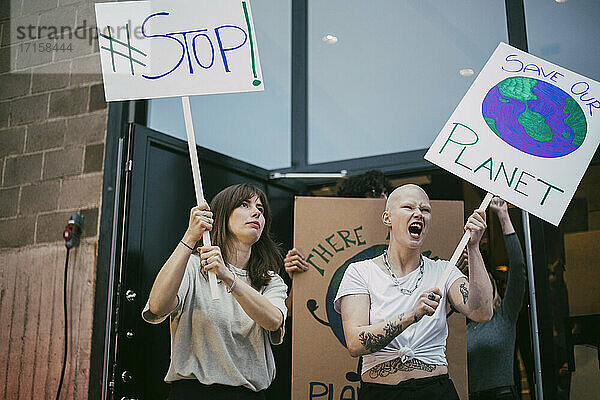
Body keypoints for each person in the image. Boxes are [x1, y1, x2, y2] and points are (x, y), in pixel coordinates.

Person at [333, 184, 493, 400]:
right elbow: (355, 342)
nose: (418, 213)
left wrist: (474, 247)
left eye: (425, 210)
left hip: (435, 391)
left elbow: (482, 312)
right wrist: (412, 315)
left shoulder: (443, 271)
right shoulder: (360, 272)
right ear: (387, 218)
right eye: (408, 207)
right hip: (381, 393)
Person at [142, 183, 288, 400]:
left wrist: (228, 276)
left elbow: (274, 320)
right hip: (193, 393)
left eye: (260, 208)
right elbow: (157, 305)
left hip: (248, 395)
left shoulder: (271, 280)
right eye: (244, 205)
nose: (256, 212)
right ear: (221, 216)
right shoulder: (192, 267)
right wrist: (191, 236)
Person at [464, 197, 526, 400]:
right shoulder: (460, 327)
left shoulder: (505, 316)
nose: (480, 292)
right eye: (475, 288)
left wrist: (503, 216)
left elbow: (518, 268)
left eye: (484, 285)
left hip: (503, 395)